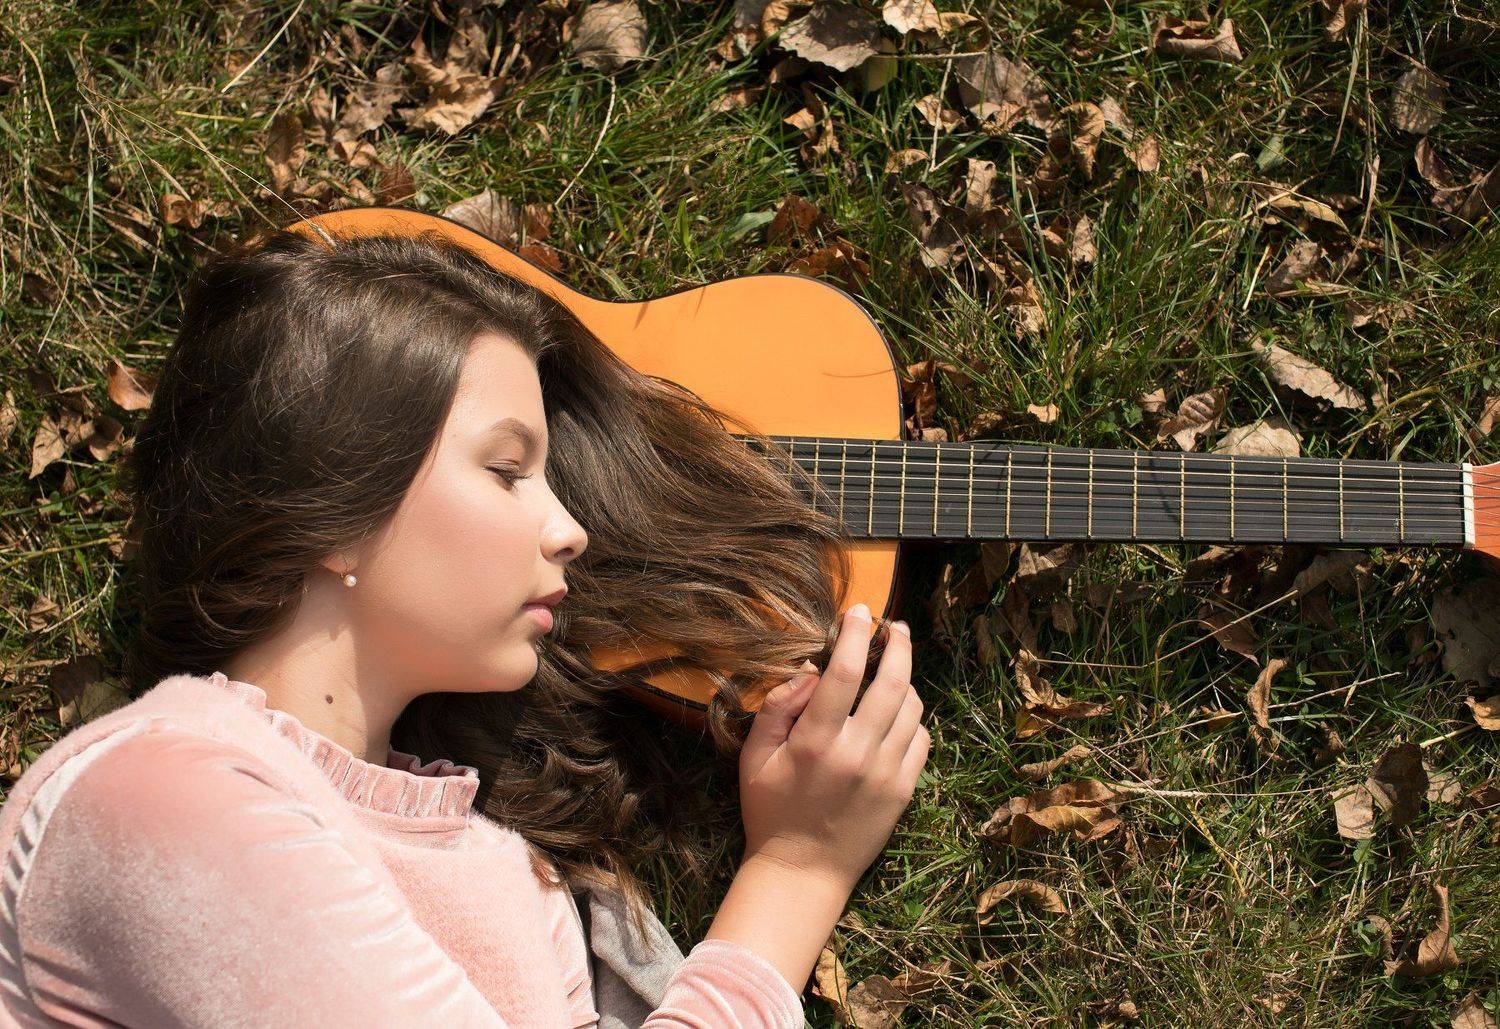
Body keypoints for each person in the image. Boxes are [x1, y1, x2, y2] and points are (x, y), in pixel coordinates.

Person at [0, 224, 930, 1027]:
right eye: (507, 470)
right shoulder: (165, 796)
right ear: (332, 504)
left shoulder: (509, 874)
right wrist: (795, 875)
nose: (569, 529)